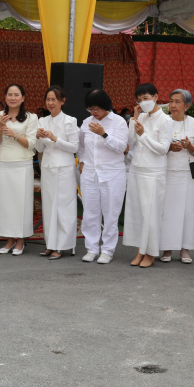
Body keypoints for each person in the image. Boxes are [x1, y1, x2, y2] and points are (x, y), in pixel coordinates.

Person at [122, 83, 171, 267]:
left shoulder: (165, 120)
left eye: (146, 98)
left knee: (151, 213)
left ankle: (150, 252)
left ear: (156, 97)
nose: (143, 102)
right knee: (138, 212)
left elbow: (163, 149)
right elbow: (130, 141)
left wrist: (143, 135)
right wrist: (134, 120)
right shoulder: (140, 116)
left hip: (154, 171)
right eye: (140, 100)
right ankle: (140, 250)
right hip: (137, 169)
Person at [78, 89, 128, 264]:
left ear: (106, 106)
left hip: (113, 173)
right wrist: (82, 160)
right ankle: (91, 249)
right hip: (90, 173)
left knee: (111, 213)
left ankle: (107, 250)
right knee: (90, 213)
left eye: (96, 109)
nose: (93, 113)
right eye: (90, 109)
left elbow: (122, 147)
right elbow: (81, 144)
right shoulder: (86, 122)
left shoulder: (119, 122)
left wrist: (103, 134)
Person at [0, 83, 38, 255]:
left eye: (16, 95)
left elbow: (31, 144)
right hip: (3, 162)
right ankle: (8, 239)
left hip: (22, 164)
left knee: (21, 203)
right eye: (9, 94)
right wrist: (0, 128)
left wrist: (15, 135)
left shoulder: (31, 118)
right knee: (5, 203)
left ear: (23, 98)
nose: (13, 98)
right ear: (5, 97)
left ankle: (21, 240)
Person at [159, 89, 194, 263]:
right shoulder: (163, 122)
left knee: (187, 210)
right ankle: (167, 248)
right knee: (168, 211)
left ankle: (185, 249)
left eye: (177, 102)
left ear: (187, 106)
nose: (173, 105)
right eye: (171, 101)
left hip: (187, 171)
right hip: (167, 171)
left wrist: (190, 147)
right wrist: (169, 147)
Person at [36, 86, 80, 259]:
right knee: (48, 205)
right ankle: (50, 243)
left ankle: (62, 245)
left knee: (63, 206)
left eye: (54, 99)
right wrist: (39, 137)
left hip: (64, 167)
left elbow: (74, 147)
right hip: (47, 166)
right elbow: (38, 148)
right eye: (48, 99)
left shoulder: (70, 120)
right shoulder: (42, 121)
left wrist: (55, 138)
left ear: (62, 101)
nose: (50, 102)